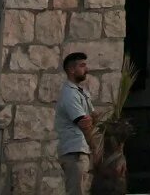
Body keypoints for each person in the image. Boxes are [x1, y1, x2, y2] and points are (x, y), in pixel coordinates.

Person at [58, 52, 95, 195]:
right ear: (71, 70)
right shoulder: (70, 94)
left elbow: (93, 117)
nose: (87, 69)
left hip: (81, 151)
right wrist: (95, 148)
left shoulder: (81, 92)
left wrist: (91, 119)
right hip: (74, 152)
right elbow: (84, 124)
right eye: (82, 65)